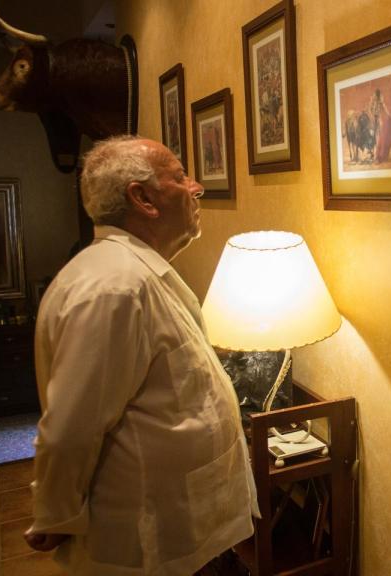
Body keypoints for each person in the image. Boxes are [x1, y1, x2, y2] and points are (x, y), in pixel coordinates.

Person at [26, 136, 258, 575]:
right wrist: (55, 514)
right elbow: (70, 428)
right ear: (143, 198)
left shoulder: (136, 273)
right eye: (179, 177)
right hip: (152, 543)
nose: (196, 188)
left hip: (184, 529)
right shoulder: (114, 289)